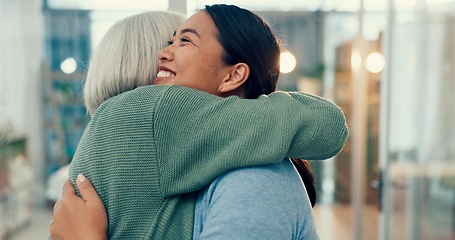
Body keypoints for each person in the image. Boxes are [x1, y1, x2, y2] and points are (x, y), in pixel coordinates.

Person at [50, 5, 348, 240]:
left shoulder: (249, 172)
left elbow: (328, 127)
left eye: (184, 41)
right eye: (170, 40)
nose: (163, 54)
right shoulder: (150, 112)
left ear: (233, 75)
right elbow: (328, 125)